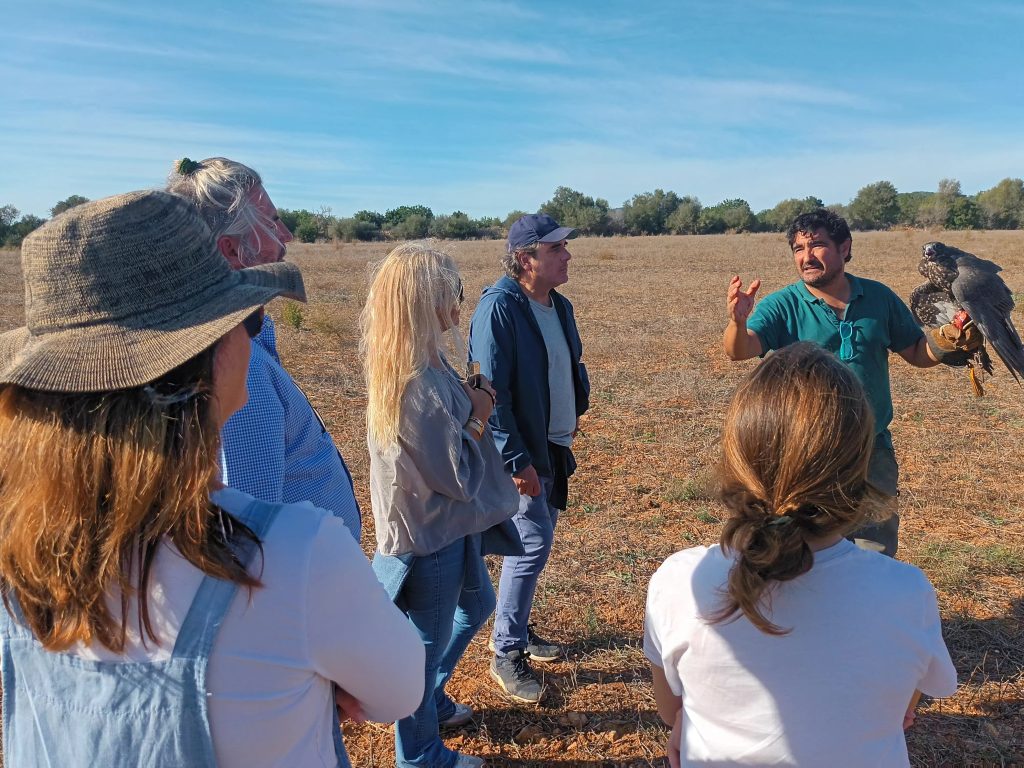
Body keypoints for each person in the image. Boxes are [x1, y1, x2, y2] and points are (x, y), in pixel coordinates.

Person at [0, 191, 424, 767]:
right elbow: (399, 690)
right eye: (235, 320)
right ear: (202, 364)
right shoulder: (293, 556)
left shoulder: (17, 547)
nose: (249, 337)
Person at [645, 342, 958, 767]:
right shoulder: (906, 592)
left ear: (736, 461)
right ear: (859, 467)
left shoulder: (679, 580)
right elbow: (902, 710)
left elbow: (670, 710)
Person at [723, 208, 970, 557]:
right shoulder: (784, 304)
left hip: (872, 447)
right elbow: (740, 349)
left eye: (817, 245)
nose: (806, 257)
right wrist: (737, 321)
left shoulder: (878, 298)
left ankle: (867, 609)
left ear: (844, 247)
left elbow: (916, 352)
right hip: (804, 448)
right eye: (798, 248)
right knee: (803, 547)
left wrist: (946, 343)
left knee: (875, 547)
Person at [361, 242, 519, 768]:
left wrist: (470, 404)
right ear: (424, 300)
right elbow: (455, 476)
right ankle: (420, 754)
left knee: (475, 607)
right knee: (421, 651)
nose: (459, 298)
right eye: (450, 289)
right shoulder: (414, 383)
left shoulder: (425, 363)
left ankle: (426, 702)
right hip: (429, 536)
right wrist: (479, 414)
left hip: (448, 528)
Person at [167, 157, 361, 539]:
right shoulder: (238, 365)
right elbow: (250, 532)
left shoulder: (240, 343)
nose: (286, 234)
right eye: (272, 221)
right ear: (232, 250)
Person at [468, 213, 591, 703]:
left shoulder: (557, 305)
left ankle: (517, 627)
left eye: (565, 247)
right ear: (526, 259)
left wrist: (574, 408)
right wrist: (515, 460)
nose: (567, 256)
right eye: (556, 249)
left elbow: (569, 363)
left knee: (537, 542)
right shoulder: (499, 309)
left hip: (553, 446)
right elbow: (490, 391)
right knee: (530, 544)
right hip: (522, 453)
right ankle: (506, 651)